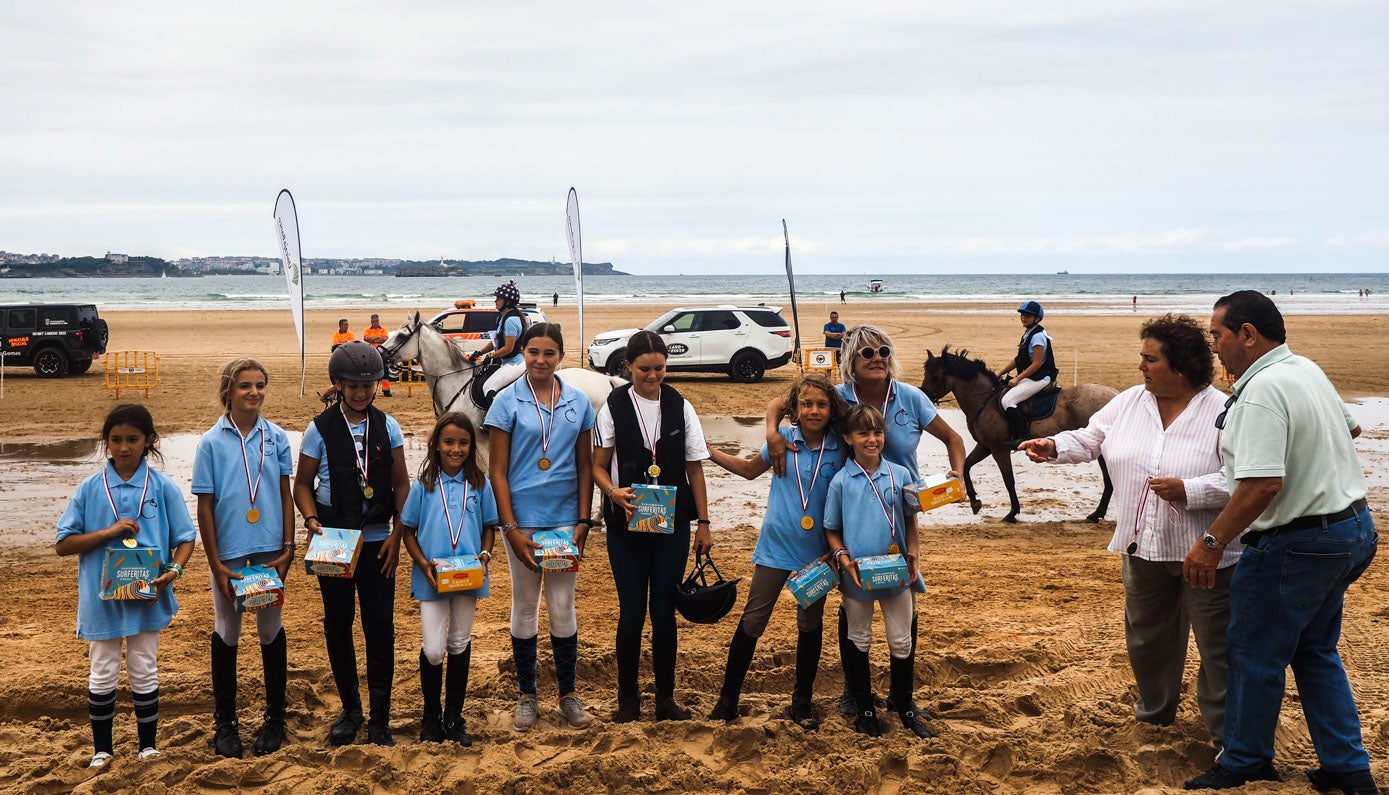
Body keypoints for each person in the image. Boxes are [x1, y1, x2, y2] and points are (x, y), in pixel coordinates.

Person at [1183, 291, 1377, 793]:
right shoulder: (1306, 369)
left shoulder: (1265, 389)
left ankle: (1246, 760)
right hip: (1351, 529)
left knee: (1253, 651)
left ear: (1248, 334)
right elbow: (1349, 429)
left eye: (1218, 335)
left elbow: (1262, 484)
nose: (1215, 346)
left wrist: (1210, 540)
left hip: (1298, 544)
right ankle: (1347, 769)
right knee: (1315, 651)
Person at [1018, 315, 1235, 746]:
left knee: (1219, 649)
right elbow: (1090, 438)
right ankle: (1154, 717)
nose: (1141, 367)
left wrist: (1189, 489)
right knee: (1147, 639)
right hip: (1142, 545)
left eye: (1150, 359)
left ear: (1183, 364)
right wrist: (1054, 446)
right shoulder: (1130, 401)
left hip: (1208, 552)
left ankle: (1228, 734)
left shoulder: (1225, 411)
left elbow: (1243, 479)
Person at [766, 324, 965, 719]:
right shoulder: (838, 399)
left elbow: (954, 440)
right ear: (851, 362)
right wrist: (772, 434)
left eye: (884, 352)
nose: (877, 359)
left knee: (903, 591)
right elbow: (779, 403)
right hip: (846, 509)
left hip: (898, 508)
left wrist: (956, 478)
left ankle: (900, 697)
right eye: (867, 353)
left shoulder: (912, 397)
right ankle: (852, 694)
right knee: (853, 599)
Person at [56, 404, 196, 768]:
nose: (123, 448)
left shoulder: (162, 487)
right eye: (115, 440)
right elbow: (63, 544)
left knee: (144, 667)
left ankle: (147, 746)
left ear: (148, 441)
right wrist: (108, 533)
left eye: (132, 439)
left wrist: (174, 573)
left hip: (147, 597)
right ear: (106, 442)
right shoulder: (90, 488)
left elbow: (185, 539)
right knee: (102, 669)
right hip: (101, 600)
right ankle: (102, 750)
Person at [706, 374, 848, 728]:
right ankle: (728, 700)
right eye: (806, 404)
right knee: (753, 620)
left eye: (821, 404)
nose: (814, 411)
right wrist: (707, 452)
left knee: (810, 624)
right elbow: (750, 470)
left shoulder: (841, 447)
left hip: (817, 555)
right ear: (796, 410)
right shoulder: (782, 439)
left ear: (832, 410)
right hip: (775, 547)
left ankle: (801, 702)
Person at [593, 330, 713, 723]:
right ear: (628, 366)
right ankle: (627, 701)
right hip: (625, 525)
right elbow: (596, 465)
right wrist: (612, 492)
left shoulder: (681, 406)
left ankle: (665, 700)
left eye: (660, 368)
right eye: (644, 369)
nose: (652, 376)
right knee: (631, 614)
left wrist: (704, 523)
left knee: (663, 613)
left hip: (673, 525)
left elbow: (695, 468)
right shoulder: (613, 406)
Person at [293, 341, 409, 747]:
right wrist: (311, 520)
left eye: (368, 385)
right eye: (353, 386)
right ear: (338, 384)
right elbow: (302, 485)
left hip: (378, 542)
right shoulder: (319, 429)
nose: (361, 392)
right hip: (336, 542)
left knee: (380, 629)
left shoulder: (388, 426)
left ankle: (380, 717)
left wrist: (398, 533)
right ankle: (351, 709)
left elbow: (400, 483)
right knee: (338, 626)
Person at [485, 323, 597, 732]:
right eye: (533, 352)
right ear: (524, 354)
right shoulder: (505, 400)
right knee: (525, 603)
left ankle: (568, 694)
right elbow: (497, 472)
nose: (540, 360)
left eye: (549, 353)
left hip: (566, 520)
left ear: (561, 357)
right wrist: (510, 527)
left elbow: (586, 466)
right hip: (523, 521)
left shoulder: (579, 402)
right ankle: (527, 695)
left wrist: (584, 521)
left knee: (563, 605)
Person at [192, 359, 296, 758]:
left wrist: (288, 549)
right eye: (244, 386)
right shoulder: (210, 442)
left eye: (260, 385)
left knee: (271, 631)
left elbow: (284, 495)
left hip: (270, 553)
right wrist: (215, 561)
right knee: (227, 631)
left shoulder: (278, 437)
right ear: (228, 391)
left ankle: (275, 720)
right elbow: (205, 505)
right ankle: (226, 723)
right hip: (230, 556)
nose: (253, 392)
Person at [823, 404, 930, 739]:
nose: (872, 440)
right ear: (848, 438)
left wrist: (913, 553)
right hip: (857, 577)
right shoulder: (841, 481)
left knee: (902, 639)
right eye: (863, 433)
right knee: (859, 638)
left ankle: (904, 704)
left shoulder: (901, 474)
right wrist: (843, 558)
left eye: (877, 432)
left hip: (897, 573)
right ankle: (865, 708)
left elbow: (910, 521)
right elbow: (832, 529)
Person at [400, 412, 498, 746]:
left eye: (463, 443)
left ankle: (454, 718)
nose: (456, 449)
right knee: (432, 649)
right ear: (437, 445)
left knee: (459, 642)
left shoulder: (480, 484)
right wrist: (423, 563)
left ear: (471, 446)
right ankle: (431, 717)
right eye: (449, 442)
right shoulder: (424, 485)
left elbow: (489, 527)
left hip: (468, 577)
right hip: (432, 578)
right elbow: (408, 531)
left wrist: (485, 555)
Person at [995, 300, 1058, 448]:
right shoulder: (1028, 333)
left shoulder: (1037, 337)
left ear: (1037, 318)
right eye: (1022, 315)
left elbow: (1037, 363)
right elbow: (1019, 359)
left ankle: (1022, 435)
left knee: (1007, 401)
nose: (1024, 318)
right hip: (1031, 376)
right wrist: (999, 373)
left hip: (1041, 377)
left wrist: (1017, 378)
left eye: (1028, 316)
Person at [465, 281, 529, 401]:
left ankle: (498, 418)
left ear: (508, 302)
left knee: (488, 387)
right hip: (506, 362)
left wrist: (491, 355)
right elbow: (496, 342)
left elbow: (508, 348)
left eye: (498, 298)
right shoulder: (503, 317)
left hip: (514, 364)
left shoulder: (511, 321)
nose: (495, 301)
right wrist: (480, 352)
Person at [362, 314, 393, 397]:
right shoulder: (367, 330)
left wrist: (373, 339)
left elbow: (385, 339)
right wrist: (378, 339)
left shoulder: (383, 329)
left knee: (385, 372)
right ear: (371, 322)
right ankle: (370, 391)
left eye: (377, 321)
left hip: (382, 352)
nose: (376, 323)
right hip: (371, 352)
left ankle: (386, 391)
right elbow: (366, 338)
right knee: (370, 372)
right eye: (374, 321)